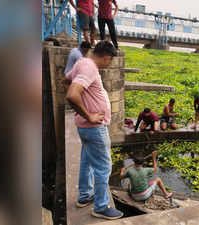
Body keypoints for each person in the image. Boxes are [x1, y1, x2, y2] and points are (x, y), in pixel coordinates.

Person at [64, 41, 123, 220]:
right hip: (94, 127)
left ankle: (84, 196)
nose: (109, 64)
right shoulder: (89, 67)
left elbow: (65, 81)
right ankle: (101, 206)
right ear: (106, 57)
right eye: (110, 61)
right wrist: (88, 115)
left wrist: (81, 108)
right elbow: (72, 94)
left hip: (85, 128)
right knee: (104, 166)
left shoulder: (81, 62)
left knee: (87, 161)